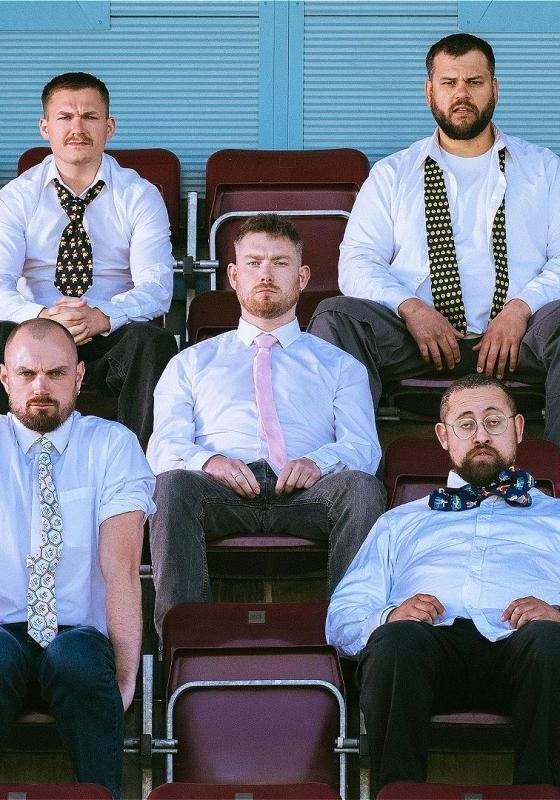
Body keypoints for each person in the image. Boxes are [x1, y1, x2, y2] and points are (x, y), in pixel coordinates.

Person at [308, 33, 560, 447]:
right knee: (337, 316)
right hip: (416, 338)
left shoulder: (543, 168)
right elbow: (356, 261)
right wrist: (410, 308)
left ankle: (558, 478)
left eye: (475, 82)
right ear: (430, 91)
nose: (462, 94)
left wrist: (520, 308)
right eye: (449, 83)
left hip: (520, 337)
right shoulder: (393, 173)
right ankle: (345, 467)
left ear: (495, 88)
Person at [147, 213, 385, 635]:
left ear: (303, 276)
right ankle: (184, 645)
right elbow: (163, 445)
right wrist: (210, 462)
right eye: (254, 263)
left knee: (362, 488)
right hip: (220, 493)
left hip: (308, 493)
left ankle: (354, 641)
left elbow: (364, 448)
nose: (266, 274)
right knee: (170, 486)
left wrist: (318, 461)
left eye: (280, 263)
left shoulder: (340, 365)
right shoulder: (191, 363)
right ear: (234, 276)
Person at [327, 373, 560, 796]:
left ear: (519, 428)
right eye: (466, 424)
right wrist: (390, 616)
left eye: (494, 421)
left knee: (551, 640)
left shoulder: (557, 516)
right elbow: (343, 615)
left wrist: (558, 614)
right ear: (443, 436)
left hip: (530, 651)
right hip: (426, 653)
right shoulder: (400, 521)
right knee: (394, 641)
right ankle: (396, 791)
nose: (481, 434)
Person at [0, 317, 155, 797]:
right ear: (5, 378)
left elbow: (122, 570)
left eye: (57, 374)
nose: (41, 387)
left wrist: (127, 678)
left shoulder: (112, 445)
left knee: (77, 660)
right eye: (27, 375)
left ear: (80, 376)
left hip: (79, 635)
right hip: (2, 631)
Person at [0, 71, 178, 443]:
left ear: (109, 127)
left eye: (90, 117)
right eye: (65, 117)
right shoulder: (16, 197)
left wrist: (102, 317)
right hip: (35, 331)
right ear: (45, 127)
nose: (77, 128)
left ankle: (138, 476)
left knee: (153, 342)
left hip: (109, 335)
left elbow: (157, 287)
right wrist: (42, 317)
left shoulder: (139, 195)